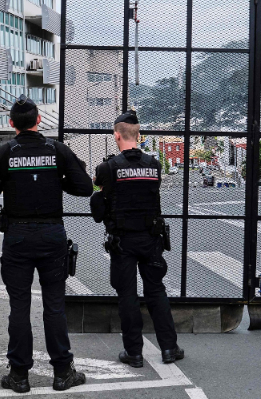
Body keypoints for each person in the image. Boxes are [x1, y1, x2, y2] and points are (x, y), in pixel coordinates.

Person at [0, 95, 92, 393]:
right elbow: (85, 187)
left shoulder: (2, 153)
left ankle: (19, 375)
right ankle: (63, 372)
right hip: (52, 234)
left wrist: (5, 181)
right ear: (38, 121)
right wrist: (56, 178)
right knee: (54, 306)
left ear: (12, 124)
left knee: (19, 307)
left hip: (18, 237)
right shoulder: (58, 150)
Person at [92, 110, 183, 368]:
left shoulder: (108, 168)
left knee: (128, 296)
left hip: (122, 242)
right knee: (156, 291)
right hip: (151, 239)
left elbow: (99, 212)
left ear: (116, 135)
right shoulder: (154, 164)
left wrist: (99, 188)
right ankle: (169, 348)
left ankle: (134, 353)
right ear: (139, 136)